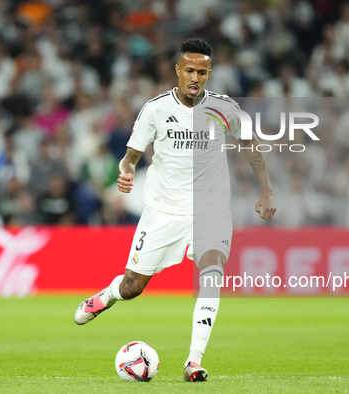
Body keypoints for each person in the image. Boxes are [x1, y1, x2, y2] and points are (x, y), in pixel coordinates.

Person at [73, 38, 276, 382]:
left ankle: (193, 361)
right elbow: (132, 154)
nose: (196, 78)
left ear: (209, 73)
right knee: (132, 287)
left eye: (203, 72)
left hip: (210, 208)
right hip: (164, 211)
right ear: (178, 71)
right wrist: (124, 171)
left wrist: (266, 188)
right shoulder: (155, 109)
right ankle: (107, 295)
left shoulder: (224, 108)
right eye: (190, 71)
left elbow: (249, 145)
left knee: (212, 273)